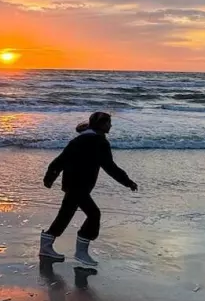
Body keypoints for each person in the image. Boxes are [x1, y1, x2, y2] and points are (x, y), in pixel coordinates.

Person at [40, 111, 137, 267]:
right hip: (80, 186)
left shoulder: (78, 140)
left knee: (65, 215)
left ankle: (46, 246)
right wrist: (128, 182)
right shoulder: (99, 142)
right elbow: (110, 167)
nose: (111, 126)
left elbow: (60, 161)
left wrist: (49, 178)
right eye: (108, 123)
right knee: (94, 215)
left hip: (71, 184)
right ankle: (81, 252)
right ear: (101, 125)